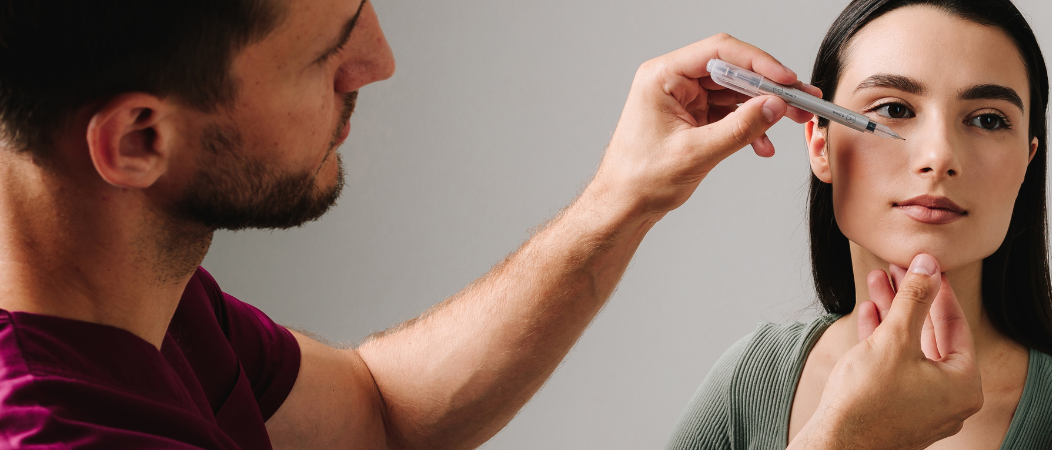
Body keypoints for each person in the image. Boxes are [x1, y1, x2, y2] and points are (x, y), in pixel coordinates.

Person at [0, 0, 983, 448]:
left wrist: (621, 196)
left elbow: (378, 412)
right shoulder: (57, 430)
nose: (379, 61)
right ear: (137, 140)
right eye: (326, 53)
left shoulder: (142, 311)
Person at [667, 0, 1052, 448]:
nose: (939, 157)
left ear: (1027, 164)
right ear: (820, 145)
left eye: (987, 120)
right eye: (894, 110)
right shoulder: (753, 382)